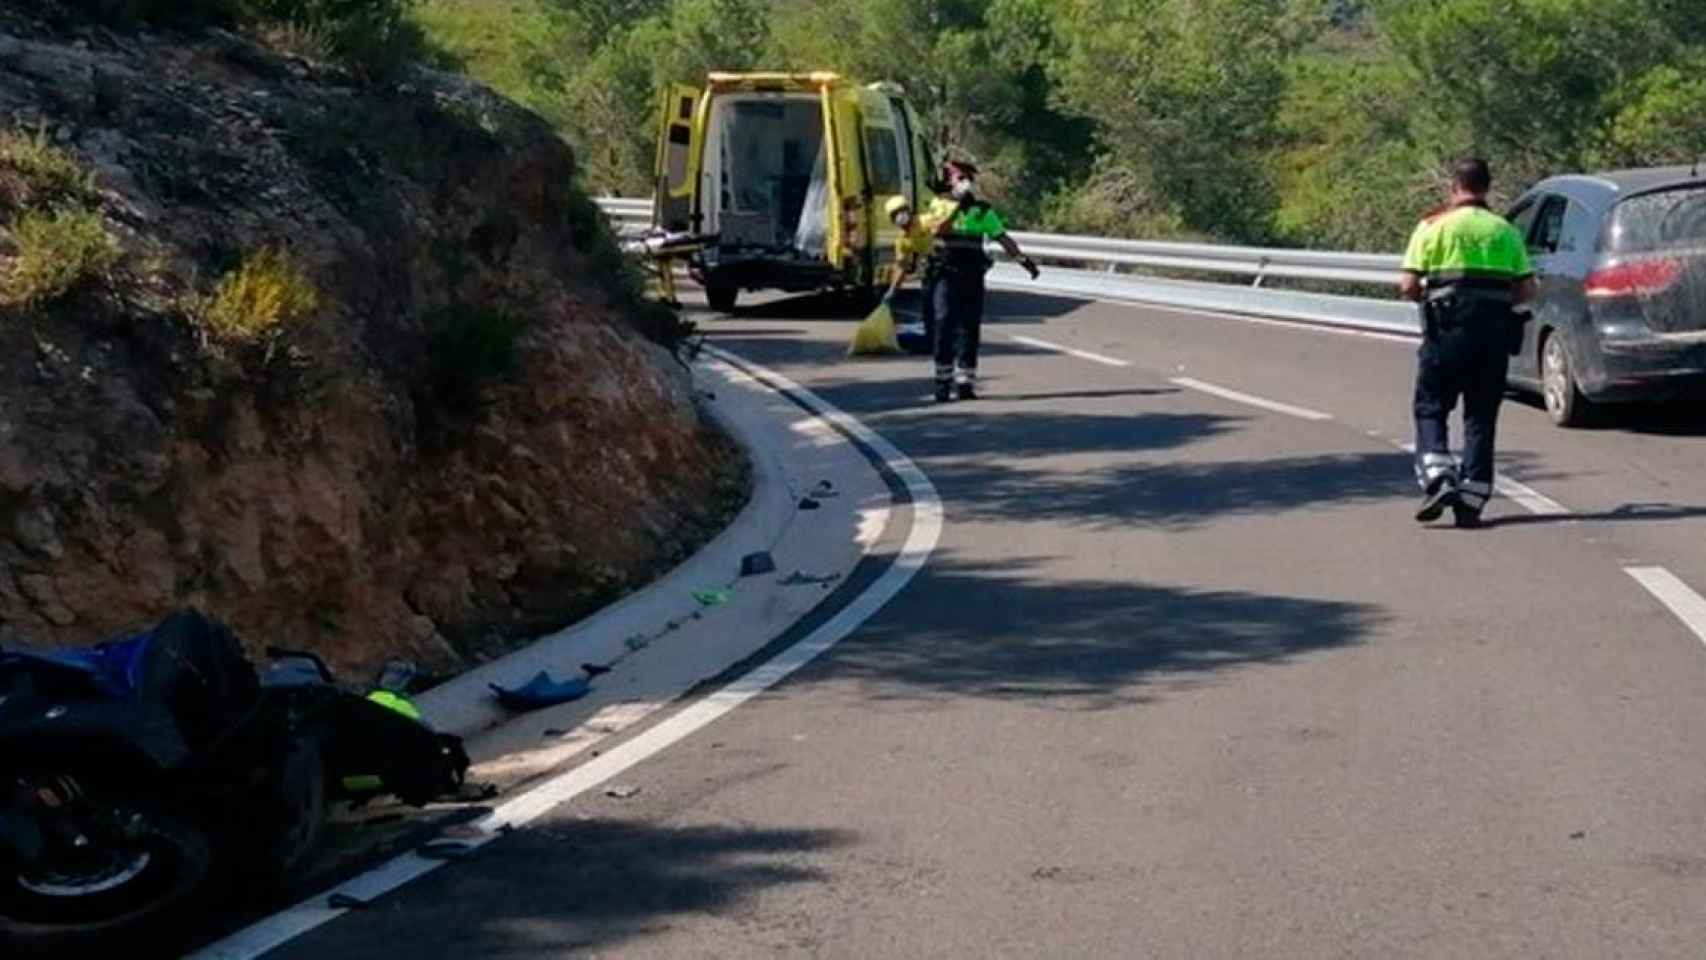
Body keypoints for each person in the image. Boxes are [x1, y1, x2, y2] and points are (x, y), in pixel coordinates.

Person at [1398, 156, 1536, 528]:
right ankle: (1471, 503)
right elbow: (1527, 289)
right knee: (1480, 418)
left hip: (1445, 335)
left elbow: (1408, 285)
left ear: (1453, 187)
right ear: (1487, 187)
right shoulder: (1505, 230)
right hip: (1492, 340)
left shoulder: (1432, 226)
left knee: (1431, 407)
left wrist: (1429, 296)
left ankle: (1439, 478)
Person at [924, 160, 1041, 402]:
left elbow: (1003, 238)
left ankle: (965, 382)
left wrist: (1024, 261)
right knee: (944, 322)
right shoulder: (939, 205)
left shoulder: (982, 211)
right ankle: (942, 383)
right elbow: (939, 230)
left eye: (966, 178)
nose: (963, 182)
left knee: (969, 328)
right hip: (945, 274)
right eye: (959, 178)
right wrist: (956, 206)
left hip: (971, 276)